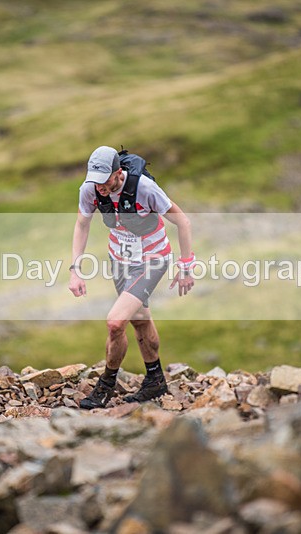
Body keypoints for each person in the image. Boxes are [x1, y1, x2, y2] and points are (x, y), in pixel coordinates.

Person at [69, 146, 195, 409]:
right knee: (139, 319)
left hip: (153, 259)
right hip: (120, 260)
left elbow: (182, 221)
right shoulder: (90, 189)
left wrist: (186, 265)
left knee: (115, 322)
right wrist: (75, 270)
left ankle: (105, 386)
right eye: (95, 181)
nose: (100, 187)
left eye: (105, 181)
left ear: (118, 173)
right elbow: (82, 224)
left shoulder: (145, 188)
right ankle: (155, 380)